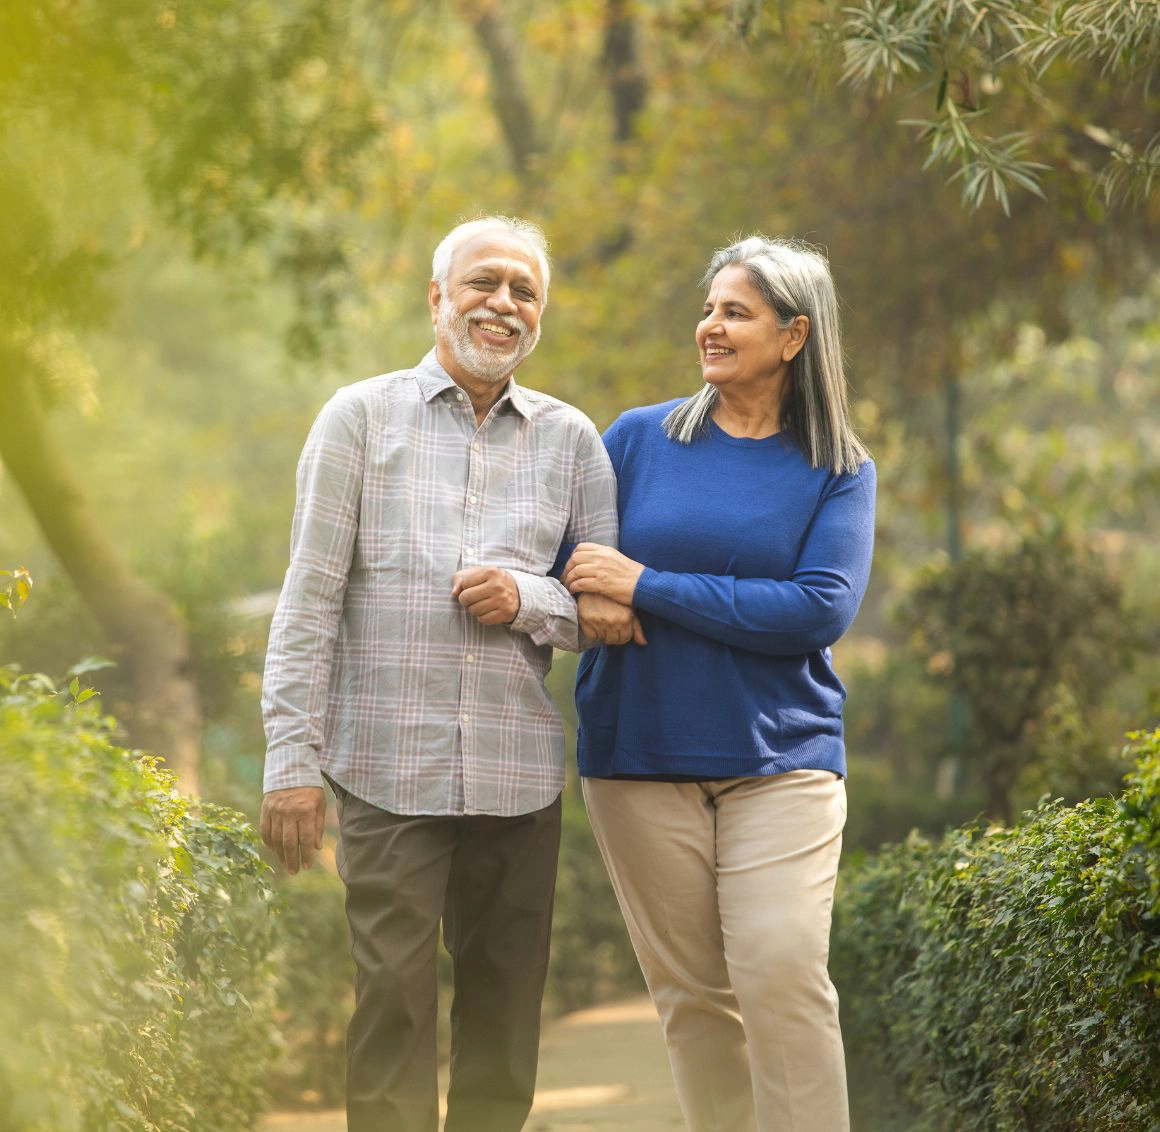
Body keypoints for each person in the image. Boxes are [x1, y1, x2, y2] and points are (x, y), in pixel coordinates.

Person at [259, 215, 628, 1132]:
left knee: (505, 1016)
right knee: (392, 998)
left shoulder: (574, 441)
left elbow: (607, 613)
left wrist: (527, 599)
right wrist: (290, 763)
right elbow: (307, 601)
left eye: (525, 291)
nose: (504, 304)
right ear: (437, 298)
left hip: (517, 776)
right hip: (386, 769)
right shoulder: (358, 418)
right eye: (483, 283)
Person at [561, 235, 875, 1132]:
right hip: (637, 753)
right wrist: (597, 589)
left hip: (783, 757)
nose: (711, 326)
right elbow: (571, 566)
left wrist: (647, 586)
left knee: (780, 968)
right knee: (696, 1001)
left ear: (794, 336)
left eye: (735, 312)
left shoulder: (841, 469)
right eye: (709, 308)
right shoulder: (635, 439)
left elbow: (816, 611)